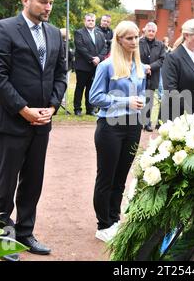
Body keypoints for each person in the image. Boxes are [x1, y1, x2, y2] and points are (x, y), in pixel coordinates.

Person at [0, 0, 67, 260]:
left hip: (43, 121)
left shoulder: (55, 34)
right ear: (25, 0)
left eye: (51, 3)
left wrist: (53, 107)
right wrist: (23, 109)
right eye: (43, 2)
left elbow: (61, 74)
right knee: (6, 183)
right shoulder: (4, 29)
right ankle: (3, 238)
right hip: (11, 121)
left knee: (34, 180)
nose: (48, 7)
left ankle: (25, 232)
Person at [89, 20, 146, 242]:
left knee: (121, 178)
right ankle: (103, 225)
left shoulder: (139, 66)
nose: (134, 42)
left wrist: (140, 102)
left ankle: (114, 219)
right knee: (107, 177)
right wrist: (126, 101)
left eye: (136, 37)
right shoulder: (106, 66)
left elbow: (139, 95)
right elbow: (95, 98)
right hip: (110, 127)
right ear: (119, 40)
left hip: (133, 126)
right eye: (129, 38)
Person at [161, 19, 194, 121]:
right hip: (177, 116)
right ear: (186, 35)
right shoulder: (173, 57)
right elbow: (171, 88)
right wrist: (189, 111)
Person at [73, 13, 107, 116]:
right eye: (89, 20)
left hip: (95, 66)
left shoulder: (99, 33)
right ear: (85, 21)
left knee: (91, 88)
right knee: (80, 87)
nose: (91, 22)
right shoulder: (79, 33)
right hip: (83, 66)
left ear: (95, 21)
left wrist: (99, 58)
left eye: (92, 20)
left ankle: (90, 109)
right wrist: (92, 59)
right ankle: (77, 109)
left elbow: (104, 47)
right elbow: (80, 48)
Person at [139, 22, 165, 132]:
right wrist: (144, 67)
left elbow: (162, 59)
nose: (151, 33)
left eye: (153, 31)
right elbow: (135, 57)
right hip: (139, 75)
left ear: (156, 32)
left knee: (149, 100)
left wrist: (150, 67)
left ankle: (147, 122)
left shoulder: (160, 45)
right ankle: (138, 122)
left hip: (153, 75)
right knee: (139, 98)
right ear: (145, 31)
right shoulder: (138, 42)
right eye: (149, 31)